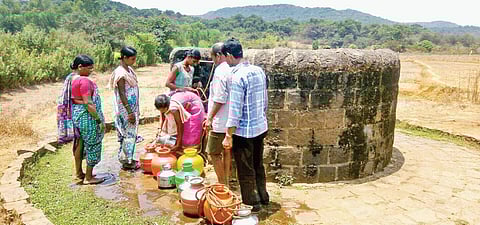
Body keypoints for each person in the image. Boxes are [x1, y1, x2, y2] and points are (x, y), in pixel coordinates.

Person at [221, 38, 269, 211]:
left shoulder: (236, 76)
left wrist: (228, 136)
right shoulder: (258, 71)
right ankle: (263, 196)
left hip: (244, 132)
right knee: (258, 164)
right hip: (260, 126)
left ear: (229, 55)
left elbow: (234, 110)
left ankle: (251, 203)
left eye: (225, 57)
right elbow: (265, 100)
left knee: (245, 168)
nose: (225, 61)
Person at [70, 55, 105, 185]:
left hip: (77, 116)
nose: (91, 71)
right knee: (93, 143)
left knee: (80, 143)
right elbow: (88, 103)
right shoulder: (84, 81)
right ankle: (89, 177)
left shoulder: (71, 79)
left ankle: (79, 173)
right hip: (87, 117)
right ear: (80, 67)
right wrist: (98, 120)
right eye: (89, 68)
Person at [205, 42, 232, 185]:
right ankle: (226, 180)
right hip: (231, 120)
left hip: (220, 121)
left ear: (218, 55)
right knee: (227, 151)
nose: (213, 61)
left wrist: (209, 118)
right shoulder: (231, 69)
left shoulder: (220, 71)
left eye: (213, 57)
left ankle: (222, 184)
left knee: (214, 153)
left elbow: (220, 98)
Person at [109, 46, 140, 170]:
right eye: (132, 59)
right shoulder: (120, 73)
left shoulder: (129, 69)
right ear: (125, 58)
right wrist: (129, 112)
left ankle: (128, 158)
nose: (134, 61)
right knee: (128, 135)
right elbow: (122, 93)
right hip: (126, 109)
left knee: (131, 134)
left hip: (132, 108)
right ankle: (127, 161)